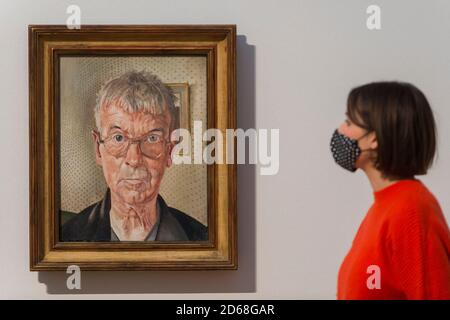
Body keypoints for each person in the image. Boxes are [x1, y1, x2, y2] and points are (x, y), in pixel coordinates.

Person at [330, 81, 450, 299]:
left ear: (373, 138)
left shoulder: (411, 209)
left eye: (349, 121)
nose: (341, 129)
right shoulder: (384, 206)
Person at [61, 70, 207, 242]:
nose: (134, 159)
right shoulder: (66, 238)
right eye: (118, 138)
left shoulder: (200, 239)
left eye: (152, 138)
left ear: (170, 151)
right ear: (98, 149)